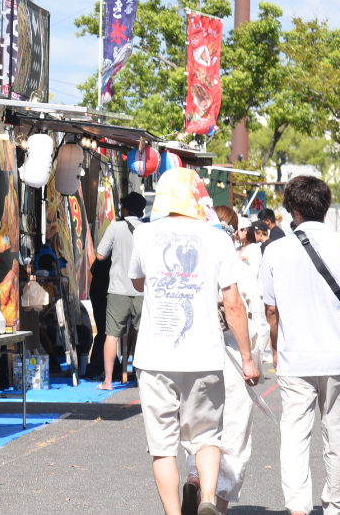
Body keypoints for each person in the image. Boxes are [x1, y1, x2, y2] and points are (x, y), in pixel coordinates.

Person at [128, 168, 258, 515]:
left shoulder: (144, 233)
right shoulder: (218, 239)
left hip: (155, 357)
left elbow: (138, 282)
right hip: (205, 355)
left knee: (163, 447)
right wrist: (247, 358)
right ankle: (207, 499)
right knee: (206, 437)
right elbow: (233, 303)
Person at [261, 175, 340, 515]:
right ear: (325, 207)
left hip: (295, 356)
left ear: (293, 211)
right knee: (337, 433)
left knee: (294, 435)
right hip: (338, 355)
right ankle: (334, 505)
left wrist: (275, 349)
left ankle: (298, 507)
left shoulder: (275, 249)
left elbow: (270, 310)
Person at [184, 220, 268, 514]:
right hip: (232, 353)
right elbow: (256, 317)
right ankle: (219, 504)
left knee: (199, 425)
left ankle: (194, 476)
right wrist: (253, 359)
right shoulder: (239, 270)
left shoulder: (191, 269)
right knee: (233, 431)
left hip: (195, 354)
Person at [94, 192, 146, 389]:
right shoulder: (147, 230)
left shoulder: (115, 227)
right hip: (142, 291)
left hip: (118, 290)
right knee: (142, 335)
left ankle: (108, 381)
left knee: (112, 335)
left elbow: (100, 255)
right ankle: (142, 380)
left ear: (125, 209)